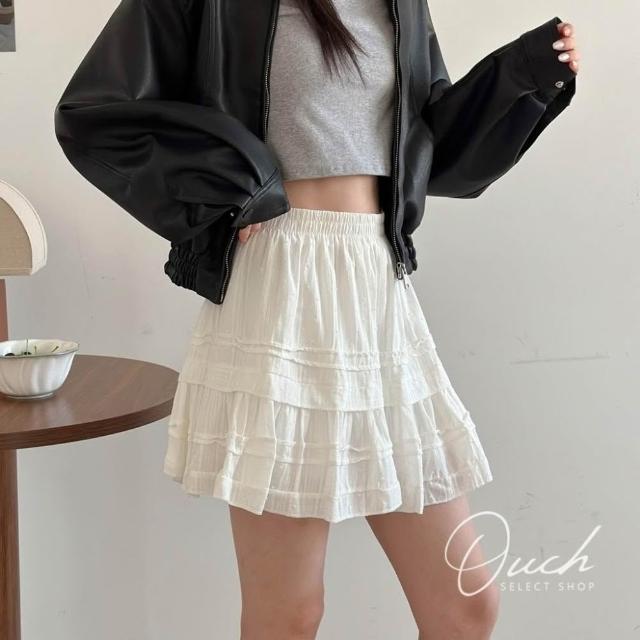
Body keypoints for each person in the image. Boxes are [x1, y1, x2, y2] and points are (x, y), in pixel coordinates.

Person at [53, 1, 580, 637]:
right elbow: (94, 113)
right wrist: (226, 191)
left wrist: (523, 73)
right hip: (280, 283)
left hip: (376, 283)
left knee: (465, 606)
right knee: (290, 614)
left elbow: (431, 145)